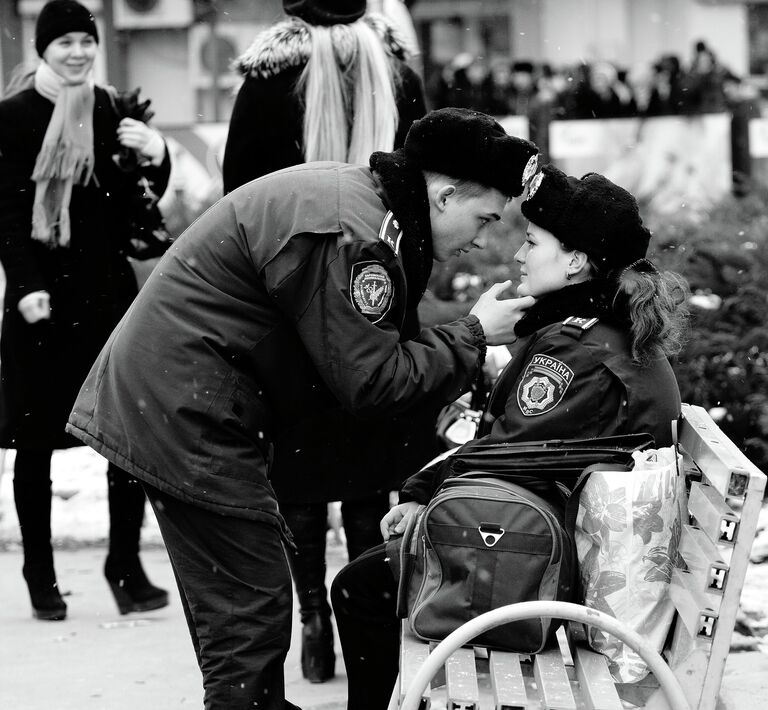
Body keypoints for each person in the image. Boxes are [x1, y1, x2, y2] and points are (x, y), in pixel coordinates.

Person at [66, 107, 539, 710]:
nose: (481, 240)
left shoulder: (364, 206)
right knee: (248, 617)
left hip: (184, 399)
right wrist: (472, 334)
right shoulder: (356, 236)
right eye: (484, 219)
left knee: (247, 612)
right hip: (187, 411)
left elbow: (362, 344)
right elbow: (372, 381)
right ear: (444, 195)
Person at [330, 163, 689, 710]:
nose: (519, 255)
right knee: (368, 580)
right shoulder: (596, 332)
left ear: (574, 261)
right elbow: (526, 446)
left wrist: (421, 491)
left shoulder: (574, 351)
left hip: (539, 561)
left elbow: (511, 455)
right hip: (550, 537)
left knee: (358, 589)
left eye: (531, 241)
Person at [222, 0, 429, 683]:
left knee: (301, 482)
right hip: (381, 306)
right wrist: (401, 296)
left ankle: (314, 626)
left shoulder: (267, 79)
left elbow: (241, 200)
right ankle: (371, 628)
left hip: (292, 314)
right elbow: (426, 203)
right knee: (372, 481)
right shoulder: (394, 69)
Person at [0, 0, 171, 622]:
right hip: (42, 299)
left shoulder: (111, 108)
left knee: (125, 436)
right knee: (35, 444)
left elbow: (139, 208)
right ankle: (39, 575)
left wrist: (155, 153)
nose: (77, 52)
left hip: (105, 293)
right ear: (43, 49)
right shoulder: (14, 117)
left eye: (84, 41)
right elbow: (8, 213)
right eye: (64, 42)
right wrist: (23, 285)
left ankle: (123, 565)